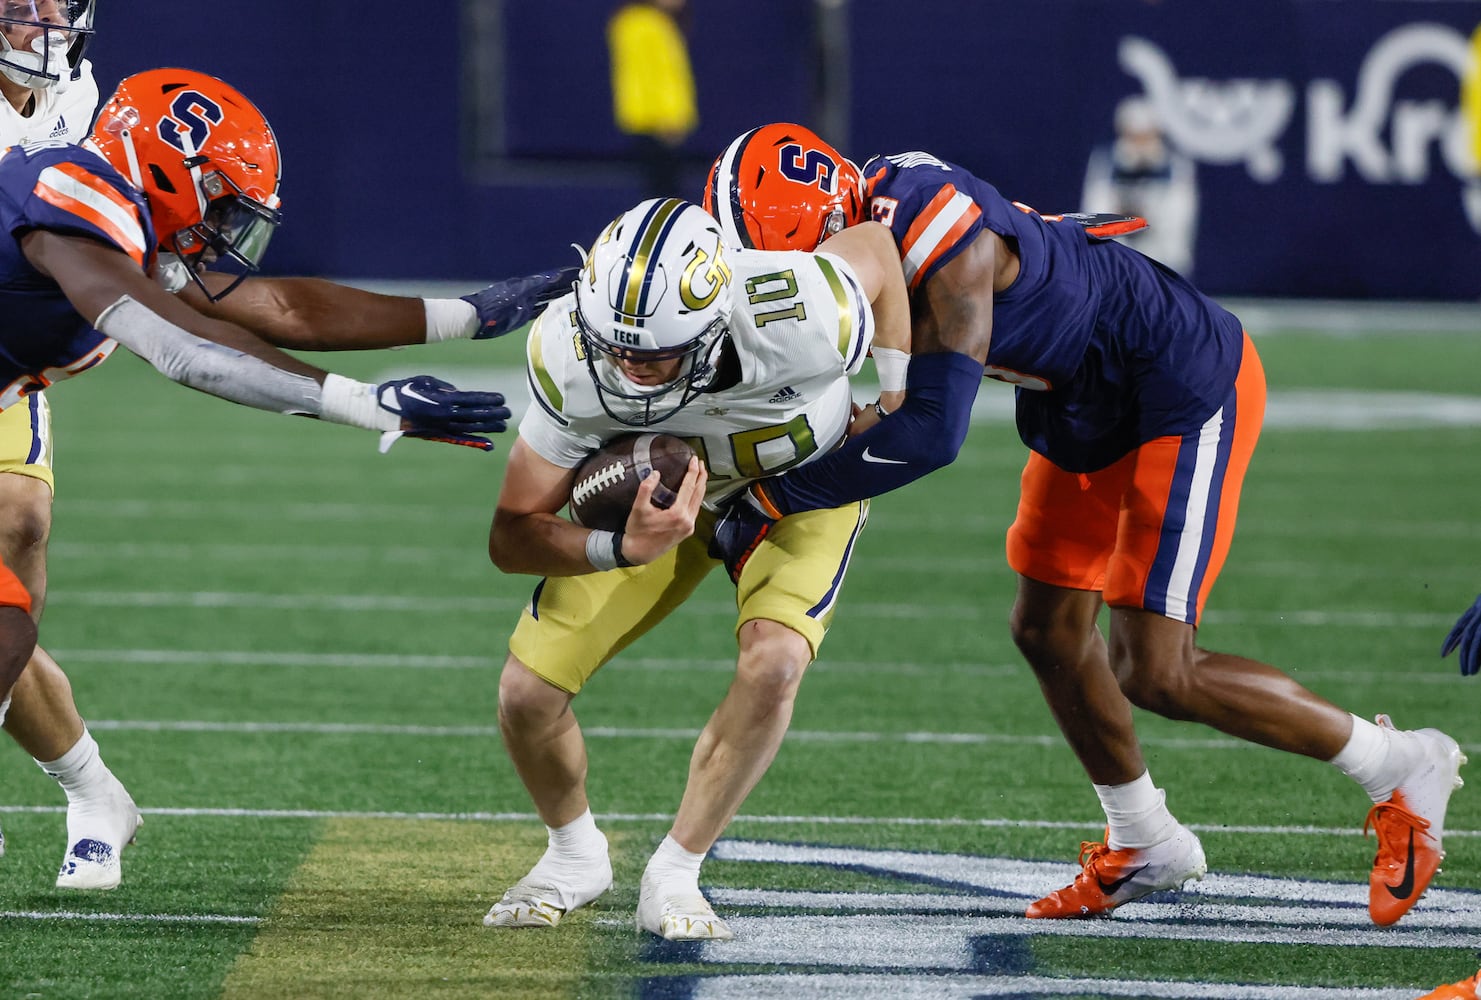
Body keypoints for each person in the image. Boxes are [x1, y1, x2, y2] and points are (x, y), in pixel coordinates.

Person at [702, 122, 1465, 927]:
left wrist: (767, 502)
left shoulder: (944, 241)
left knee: (1155, 669)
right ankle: (1143, 840)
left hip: (1174, 382)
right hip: (1078, 396)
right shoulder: (874, 218)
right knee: (1047, 629)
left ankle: (1397, 764)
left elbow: (930, 433)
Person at [0, 65, 552, 889]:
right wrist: (371, 407)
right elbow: (186, 350)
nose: (227, 226)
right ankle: (94, 793)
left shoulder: (117, 211)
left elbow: (275, 309)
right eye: (219, 200)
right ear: (164, 167)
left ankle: (94, 794)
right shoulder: (72, 203)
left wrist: (466, 316)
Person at [482, 196, 909, 940]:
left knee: (774, 663)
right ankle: (573, 856)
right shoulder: (569, 359)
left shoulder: (803, 313)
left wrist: (897, 389)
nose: (629, 372)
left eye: (653, 355)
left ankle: (677, 870)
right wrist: (620, 547)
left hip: (802, 493)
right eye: (615, 348)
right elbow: (511, 535)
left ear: (715, 323)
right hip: (659, 504)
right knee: (525, 692)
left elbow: (874, 246)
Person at [1080, 95, 1198, 277]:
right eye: (1134, 136)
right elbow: (1094, 214)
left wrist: (1146, 218)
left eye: (1146, 135)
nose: (1140, 143)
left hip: (1161, 254)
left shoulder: (1174, 167)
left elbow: (1179, 222)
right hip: (1119, 253)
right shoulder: (1107, 164)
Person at [607, 0, 697, 198]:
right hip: (656, 124)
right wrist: (668, 119)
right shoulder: (643, 25)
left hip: (653, 122)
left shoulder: (648, 23)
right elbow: (653, 78)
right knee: (662, 194)